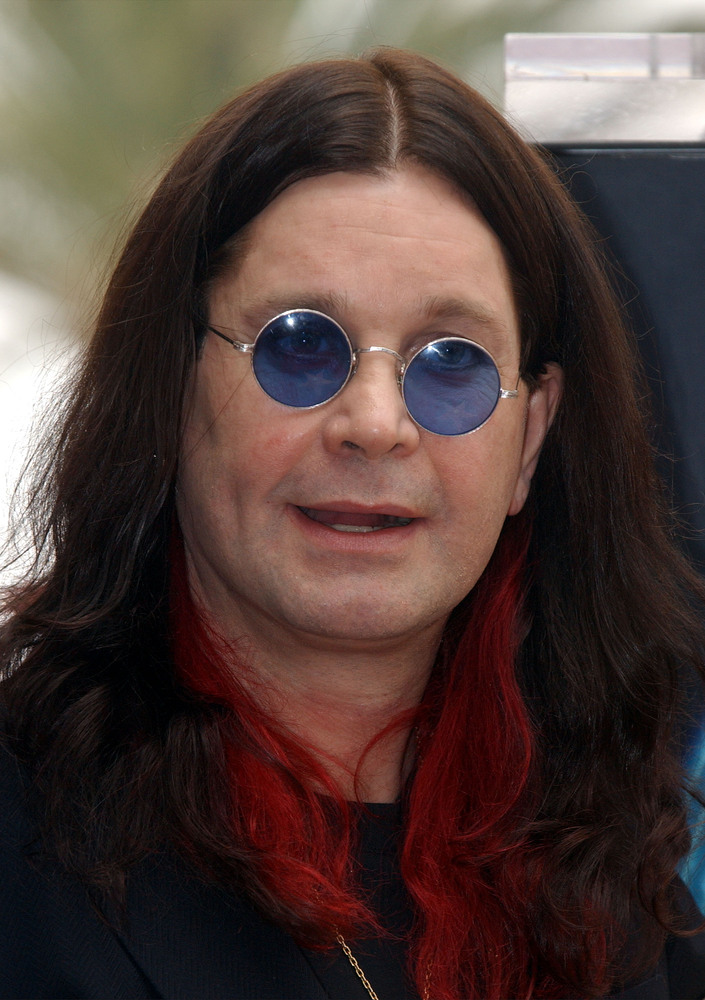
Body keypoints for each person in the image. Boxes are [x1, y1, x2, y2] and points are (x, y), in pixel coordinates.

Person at [1, 48, 704, 1000]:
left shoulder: (620, 897)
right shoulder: (24, 856)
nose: (375, 424)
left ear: (530, 441)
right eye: (299, 346)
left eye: (449, 363)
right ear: (169, 388)